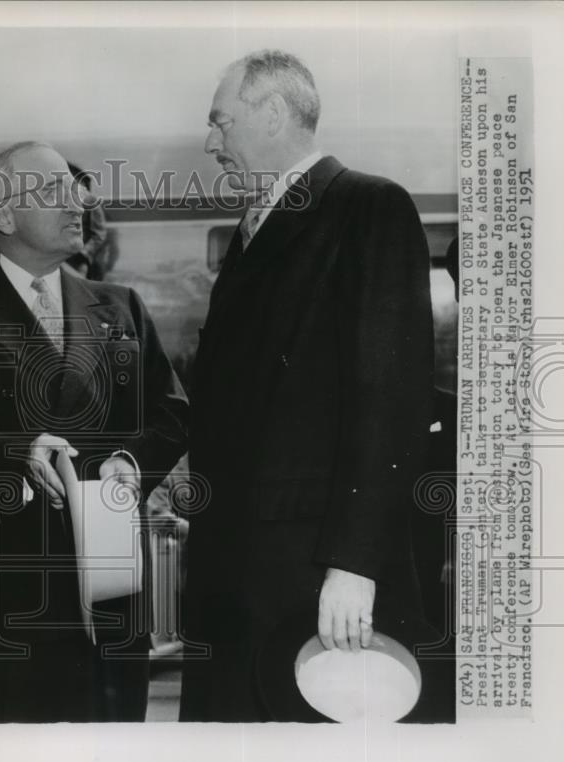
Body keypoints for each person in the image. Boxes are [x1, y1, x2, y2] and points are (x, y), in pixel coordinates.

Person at [180, 50, 435, 721]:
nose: (212, 144)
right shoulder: (254, 228)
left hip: (312, 577)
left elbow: (391, 399)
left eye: (220, 122)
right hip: (238, 570)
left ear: (270, 113)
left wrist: (356, 564)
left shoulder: (367, 207)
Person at [0, 141, 188, 722]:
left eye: (75, 190)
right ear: (3, 216)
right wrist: (17, 451)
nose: (76, 203)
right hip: (4, 592)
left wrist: (129, 464)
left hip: (109, 587)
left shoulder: (120, 307)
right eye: (54, 192)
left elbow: (172, 411)